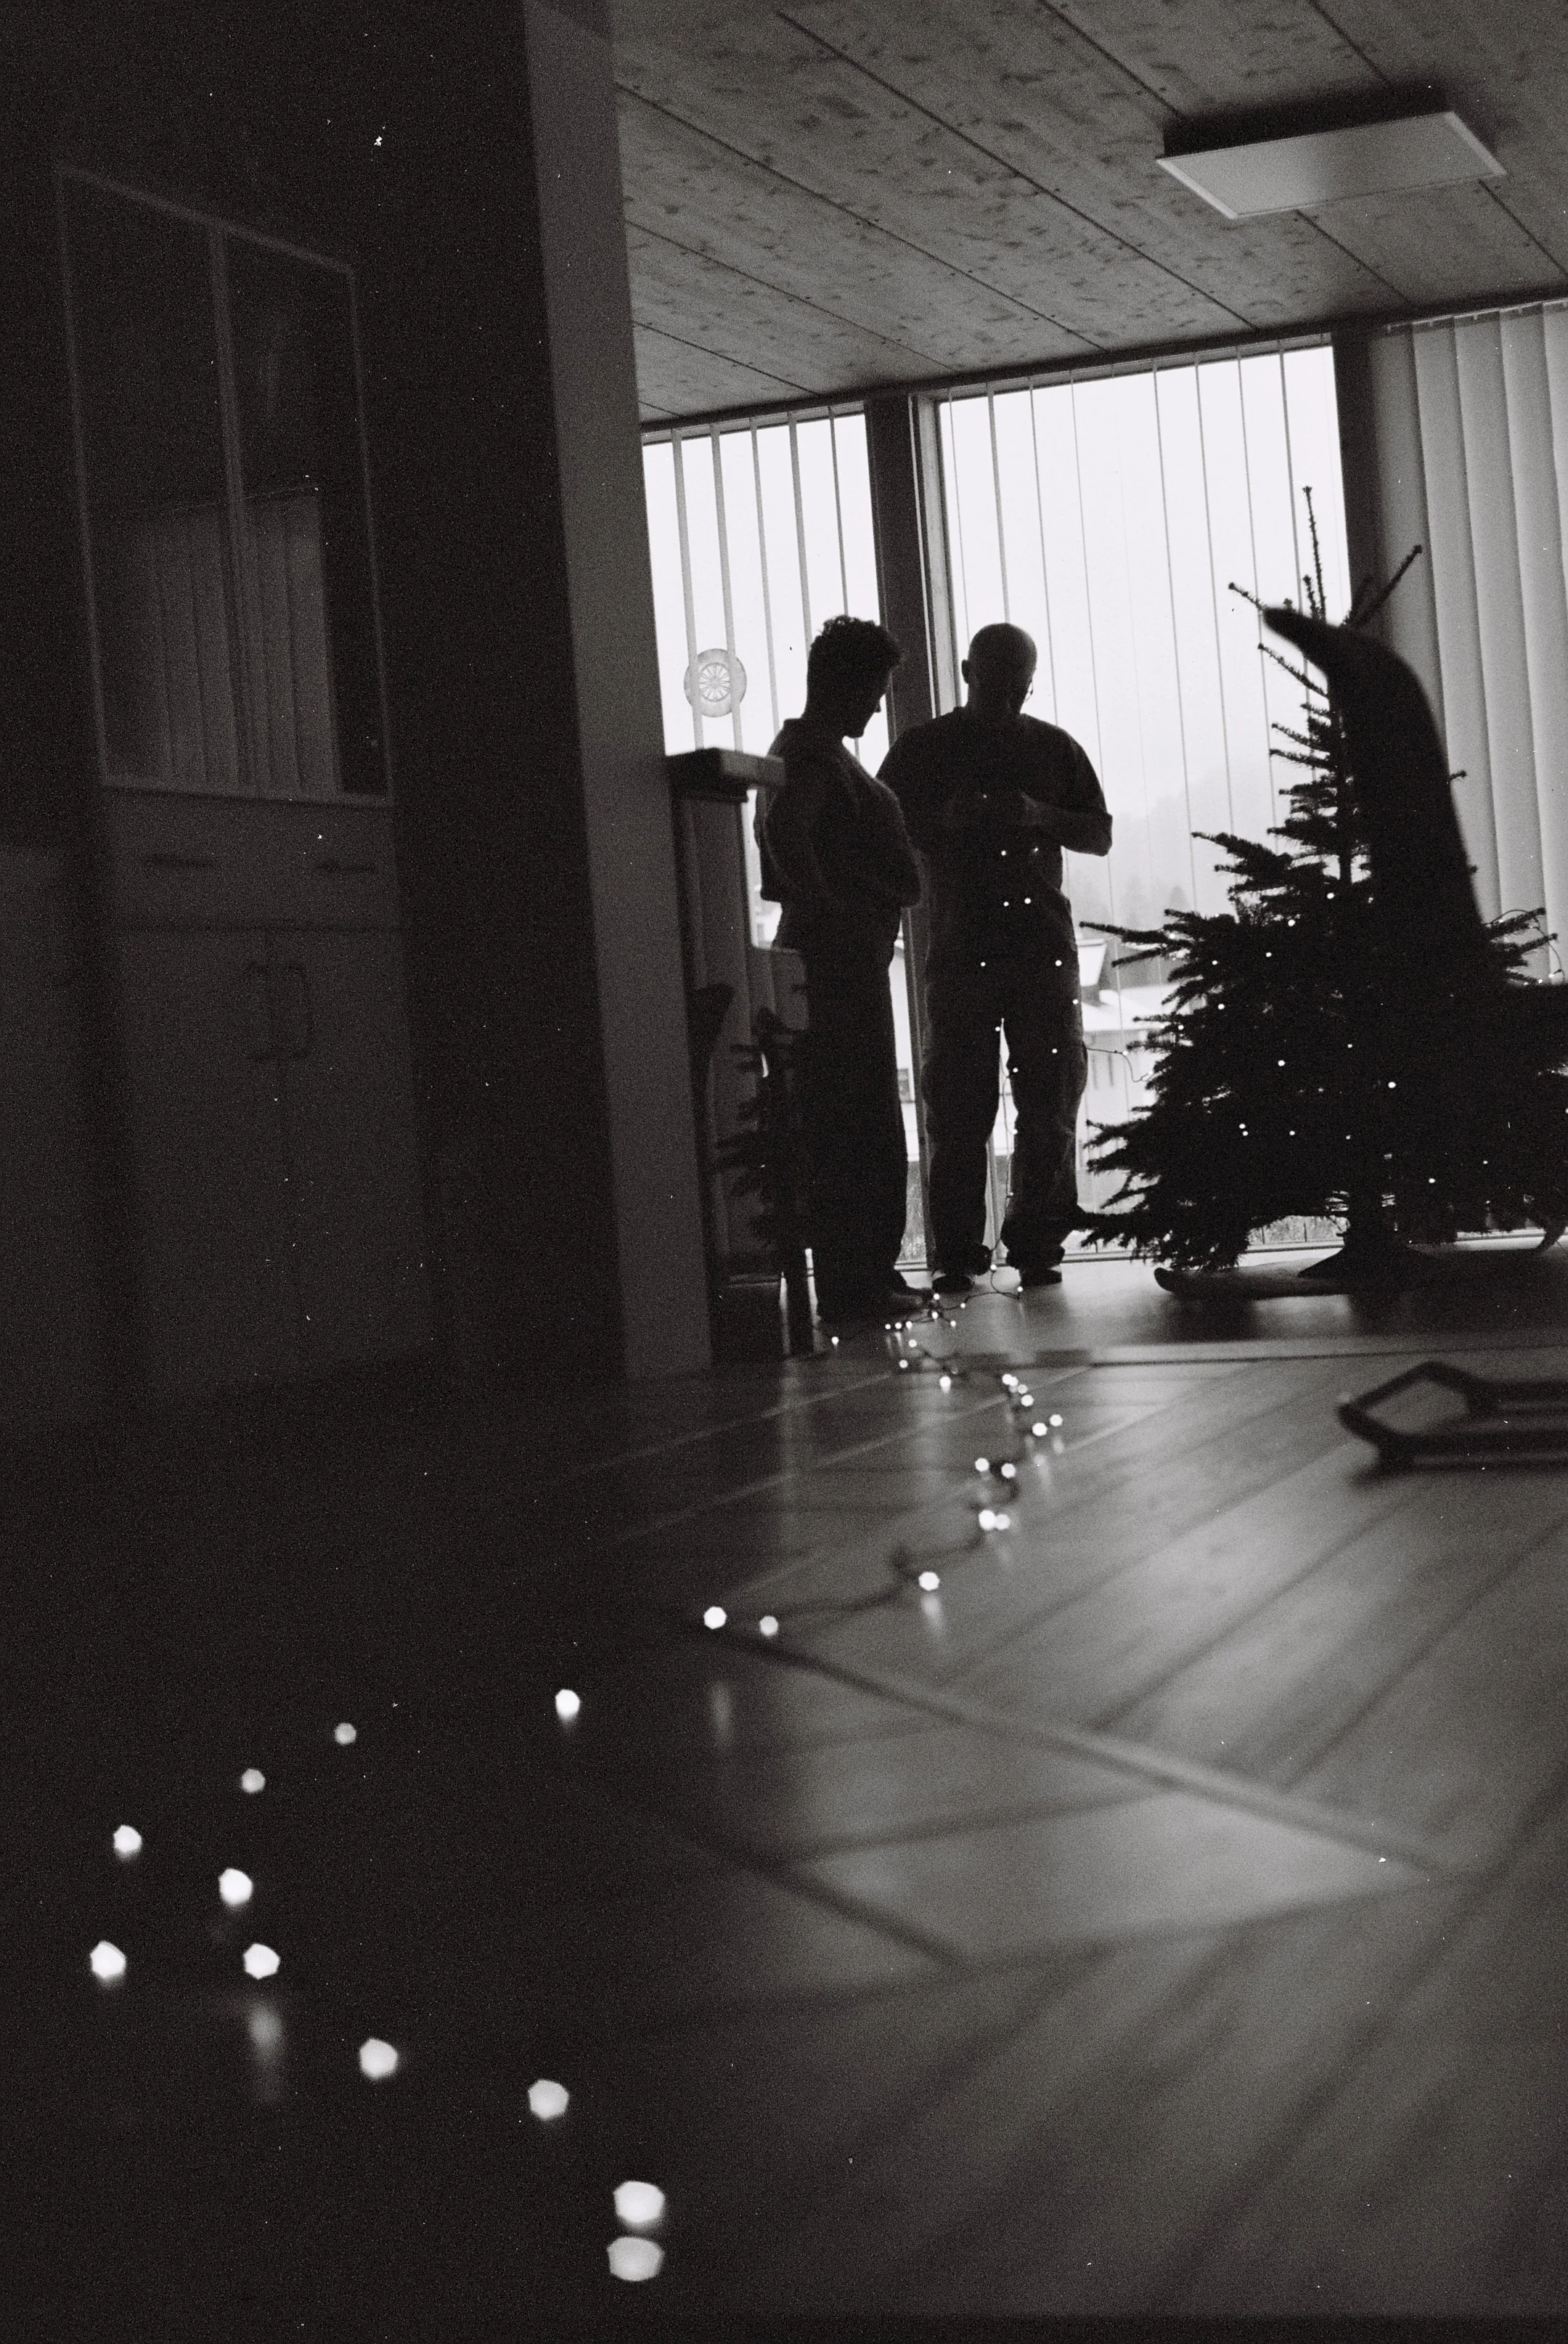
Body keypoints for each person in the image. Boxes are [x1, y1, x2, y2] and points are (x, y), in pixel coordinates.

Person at [880, 622, 1112, 1294]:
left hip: (976, 944)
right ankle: (1019, 1245)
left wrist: (1029, 814)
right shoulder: (1048, 748)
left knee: (1008, 1102)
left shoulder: (925, 750)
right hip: (1017, 944)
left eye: (1018, 687)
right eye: (999, 685)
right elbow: (1095, 832)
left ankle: (968, 1252)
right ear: (967, 672)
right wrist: (1030, 815)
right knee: (993, 1102)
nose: (1008, 698)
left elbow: (1098, 833)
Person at [759, 616, 926, 1324]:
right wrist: (831, 910)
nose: (879, 706)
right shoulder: (813, 758)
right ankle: (858, 1280)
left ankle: (864, 1274)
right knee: (854, 1120)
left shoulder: (819, 753)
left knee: (857, 1118)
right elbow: (785, 833)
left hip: (846, 957)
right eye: (877, 690)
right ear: (848, 684)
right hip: (838, 965)